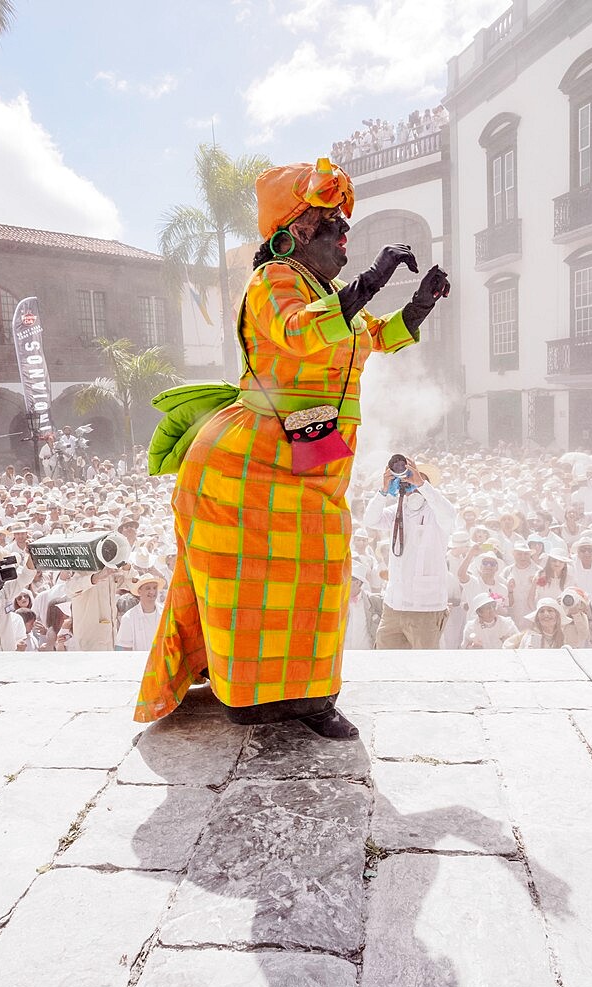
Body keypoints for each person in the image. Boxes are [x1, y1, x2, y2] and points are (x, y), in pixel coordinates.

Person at [134, 157, 450, 739]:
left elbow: (368, 336)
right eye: (335, 226)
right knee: (248, 586)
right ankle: (255, 700)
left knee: (323, 576)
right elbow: (302, 332)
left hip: (306, 462)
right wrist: (371, 282)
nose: (346, 238)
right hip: (249, 466)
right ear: (299, 231)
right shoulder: (273, 282)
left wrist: (417, 307)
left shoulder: (325, 291)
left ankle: (308, 699)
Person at [363, 458, 455, 650]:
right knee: (386, 662)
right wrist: (383, 490)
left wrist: (421, 484)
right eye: (408, 479)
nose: (411, 483)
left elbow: (449, 514)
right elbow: (371, 520)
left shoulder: (437, 512)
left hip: (425, 607)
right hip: (394, 605)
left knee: (424, 667)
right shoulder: (398, 510)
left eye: (417, 479)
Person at [116, 574, 163, 651]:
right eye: (148, 588)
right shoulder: (128, 618)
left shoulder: (166, 613)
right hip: (139, 662)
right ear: (139, 591)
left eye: (154, 588)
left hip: (163, 662)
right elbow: (126, 649)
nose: (152, 591)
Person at [344, 559, 382, 650]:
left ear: (357, 583)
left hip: (367, 656)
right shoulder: (336, 603)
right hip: (343, 657)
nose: (342, 582)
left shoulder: (374, 602)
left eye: (346, 579)